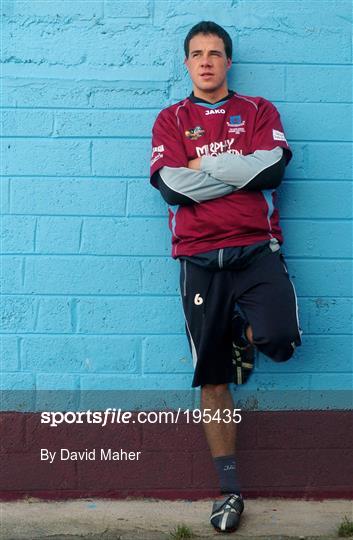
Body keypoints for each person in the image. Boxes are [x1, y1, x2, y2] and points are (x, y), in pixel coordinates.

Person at [149, 21, 302, 534]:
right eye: (197, 54)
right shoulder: (171, 118)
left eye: (216, 53)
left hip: (258, 252)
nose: (207, 61)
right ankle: (230, 491)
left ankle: (245, 333)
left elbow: (273, 171)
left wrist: (203, 168)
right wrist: (239, 169)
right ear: (187, 64)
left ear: (228, 62)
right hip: (198, 260)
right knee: (215, 379)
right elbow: (172, 186)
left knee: (280, 340)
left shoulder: (258, 111)